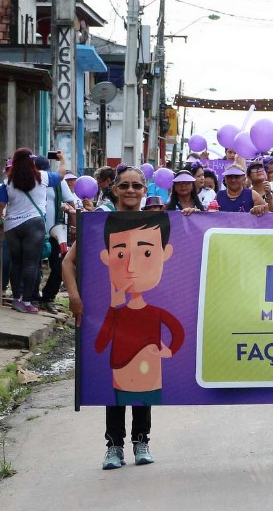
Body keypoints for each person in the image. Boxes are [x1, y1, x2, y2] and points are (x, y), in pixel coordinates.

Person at [63, 172, 185, 470]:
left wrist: (191, 217)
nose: (131, 190)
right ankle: (114, 446)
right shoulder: (98, 225)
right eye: (125, 185)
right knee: (113, 392)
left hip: (148, 335)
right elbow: (68, 262)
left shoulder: (157, 224)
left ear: (145, 190)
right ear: (114, 189)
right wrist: (75, 297)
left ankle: (142, 440)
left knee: (144, 391)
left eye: (137, 185)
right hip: (113, 321)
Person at [0, 149, 62, 314]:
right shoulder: (42, 177)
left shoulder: (8, 182)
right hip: (34, 224)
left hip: (12, 226)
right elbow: (61, 175)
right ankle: (28, 301)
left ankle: (16, 299)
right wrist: (62, 159)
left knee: (16, 263)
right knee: (31, 264)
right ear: (32, 162)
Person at [33, 155, 77, 314]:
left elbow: (71, 203)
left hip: (55, 231)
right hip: (33, 231)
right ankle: (33, 298)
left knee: (59, 266)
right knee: (34, 267)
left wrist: (73, 228)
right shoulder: (29, 181)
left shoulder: (58, 182)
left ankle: (48, 297)